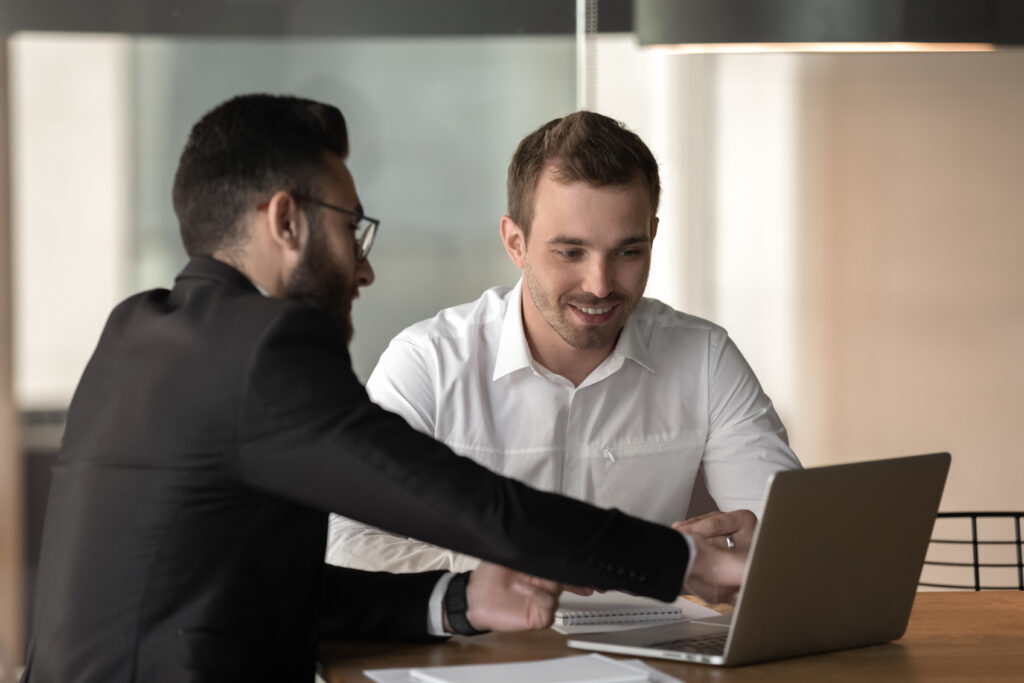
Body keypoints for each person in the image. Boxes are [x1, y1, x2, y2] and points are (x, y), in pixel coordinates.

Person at [20, 95, 748, 683]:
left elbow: (263, 593)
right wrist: (683, 562)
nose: (363, 270)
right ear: (286, 222)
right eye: (352, 230)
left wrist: (457, 600)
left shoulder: (138, 332)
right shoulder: (265, 349)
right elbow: (468, 501)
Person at [328, 111, 800, 573]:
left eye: (628, 252)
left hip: (645, 647)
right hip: (474, 646)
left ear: (653, 237)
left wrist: (749, 556)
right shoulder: (429, 363)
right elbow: (343, 541)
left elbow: (788, 534)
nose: (599, 284)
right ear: (515, 243)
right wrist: (515, 569)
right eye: (571, 252)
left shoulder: (705, 357)